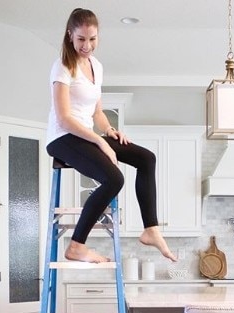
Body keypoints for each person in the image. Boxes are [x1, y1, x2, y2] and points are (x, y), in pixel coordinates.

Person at [46, 8, 177, 264]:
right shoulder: (62, 67)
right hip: (62, 138)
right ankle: (76, 246)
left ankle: (151, 229)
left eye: (92, 39)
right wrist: (99, 142)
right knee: (114, 179)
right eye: (81, 39)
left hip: (85, 134)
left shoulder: (96, 66)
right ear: (70, 35)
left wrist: (108, 131)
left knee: (146, 158)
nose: (87, 45)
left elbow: (97, 112)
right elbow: (64, 118)